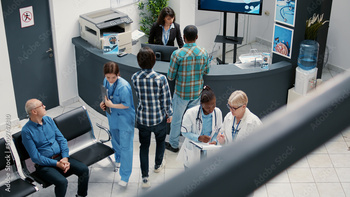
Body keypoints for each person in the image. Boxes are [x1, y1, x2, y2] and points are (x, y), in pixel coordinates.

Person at [22, 99, 89, 197]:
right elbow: (36, 157)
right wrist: (57, 164)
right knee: (62, 182)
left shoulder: (49, 120)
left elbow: (62, 139)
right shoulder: (26, 131)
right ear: (34, 111)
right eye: (41, 105)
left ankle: (81, 195)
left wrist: (65, 157)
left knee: (84, 170)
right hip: (44, 165)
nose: (44, 106)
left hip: (61, 158)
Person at [131, 47, 173, 188]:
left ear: (138, 62)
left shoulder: (134, 77)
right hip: (158, 118)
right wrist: (170, 114)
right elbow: (166, 100)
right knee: (160, 142)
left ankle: (144, 178)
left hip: (142, 119)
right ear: (154, 60)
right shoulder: (161, 79)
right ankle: (157, 165)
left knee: (144, 146)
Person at [166, 25, 210, 152]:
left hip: (181, 93)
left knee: (176, 120)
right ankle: (191, 144)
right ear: (197, 37)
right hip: (197, 93)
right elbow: (206, 71)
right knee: (193, 120)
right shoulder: (203, 52)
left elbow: (170, 76)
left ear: (184, 38)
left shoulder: (177, 54)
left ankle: (174, 145)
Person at [99, 61, 135, 187]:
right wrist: (103, 104)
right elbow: (106, 96)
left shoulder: (124, 87)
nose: (110, 80)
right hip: (113, 117)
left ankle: (125, 176)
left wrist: (111, 105)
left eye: (113, 77)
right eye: (108, 77)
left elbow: (126, 105)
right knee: (115, 140)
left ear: (118, 74)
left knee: (126, 147)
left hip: (125, 119)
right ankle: (118, 159)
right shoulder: (106, 81)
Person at [177, 86, 222, 168]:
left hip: (209, 149)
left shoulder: (217, 112)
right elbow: (184, 132)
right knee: (190, 174)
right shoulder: (190, 113)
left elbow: (218, 130)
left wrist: (215, 140)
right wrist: (198, 138)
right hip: (193, 149)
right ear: (202, 104)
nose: (211, 109)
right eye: (208, 107)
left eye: (213, 105)